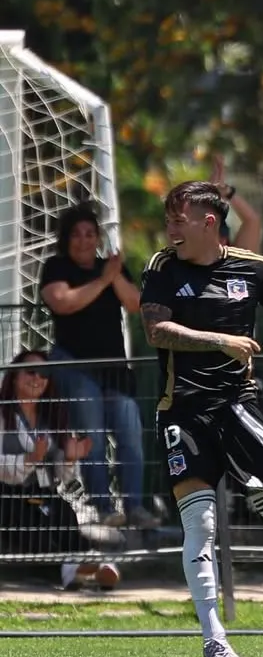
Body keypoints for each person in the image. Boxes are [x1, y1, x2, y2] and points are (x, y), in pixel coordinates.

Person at [140, 181, 263, 657]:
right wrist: (219, 339)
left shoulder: (255, 269)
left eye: (179, 220)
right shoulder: (161, 267)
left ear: (208, 222)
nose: (170, 229)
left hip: (241, 407)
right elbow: (156, 329)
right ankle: (214, 638)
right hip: (183, 411)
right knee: (200, 523)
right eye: (168, 219)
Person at [39, 204, 158, 529]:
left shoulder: (111, 268)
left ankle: (135, 507)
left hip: (114, 368)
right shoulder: (56, 266)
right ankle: (104, 508)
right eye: (76, 234)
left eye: (90, 234)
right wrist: (102, 280)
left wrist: (113, 275)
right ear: (66, 238)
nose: (83, 240)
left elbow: (136, 304)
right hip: (76, 363)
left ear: (98, 238)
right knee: (91, 434)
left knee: (130, 434)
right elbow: (63, 302)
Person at [0, 349, 120, 590]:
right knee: (26, 523)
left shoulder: (51, 415)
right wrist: (29, 459)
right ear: (14, 376)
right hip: (7, 494)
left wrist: (69, 458)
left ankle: (90, 564)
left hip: (43, 492)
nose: (37, 378)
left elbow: (63, 477)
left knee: (64, 515)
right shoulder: (3, 414)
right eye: (30, 372)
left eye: (43, 373)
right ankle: (71, 570)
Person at [210, 154, 263, 253]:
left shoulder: (237, 263)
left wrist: (227, 192)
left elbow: (253, 221)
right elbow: (253, 220)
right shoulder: (183, 259)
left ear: (223, 241)